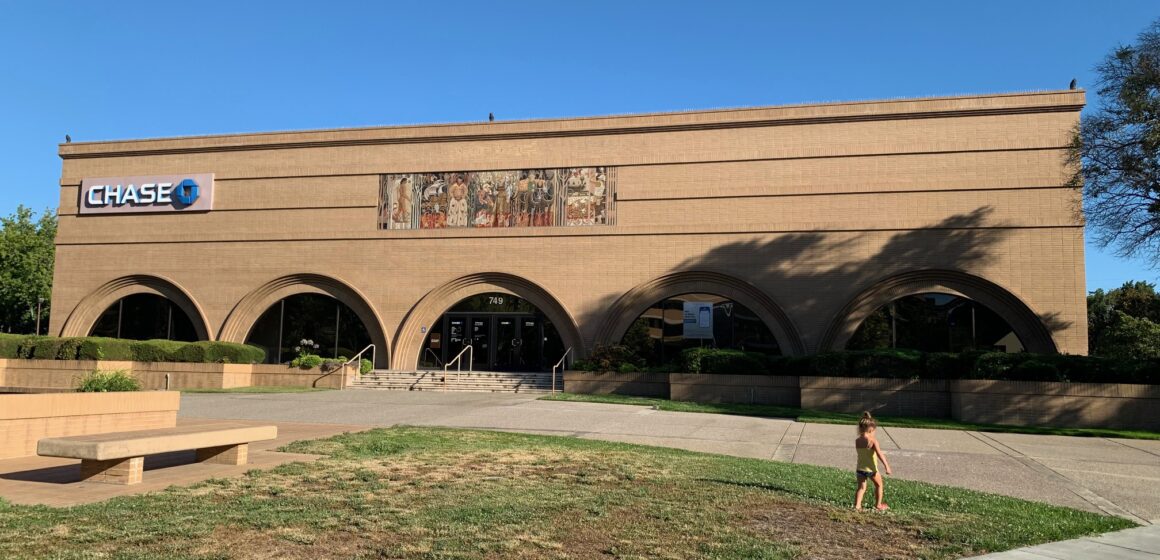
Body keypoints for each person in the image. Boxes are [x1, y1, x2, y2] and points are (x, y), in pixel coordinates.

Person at [854, 411, 892, 511]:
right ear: (871, 429)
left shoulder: (857, 441)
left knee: (861, 488)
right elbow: (880, 454)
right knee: (879, 485)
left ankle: (857, 506)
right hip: (871, 469)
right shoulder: (873, 441)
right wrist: (887, 466)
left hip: (860, 469)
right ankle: (878, 505)